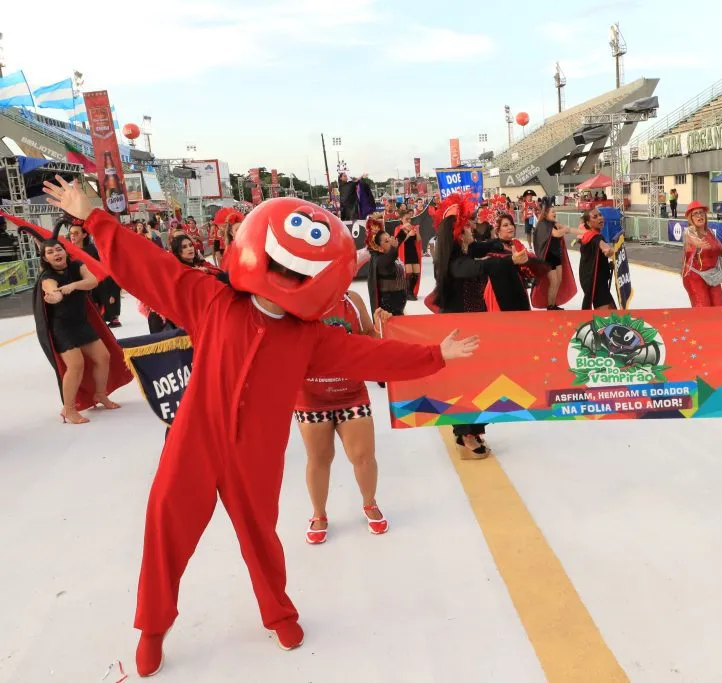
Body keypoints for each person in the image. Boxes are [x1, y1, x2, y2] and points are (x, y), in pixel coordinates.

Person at [43, 178, 479, 678]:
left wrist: (433, 355)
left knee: (260, 537)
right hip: (194, 441)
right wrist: (95, 217)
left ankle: (277, 612)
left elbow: (370, 354)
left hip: (257, 451)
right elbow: (148, 268)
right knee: (165, 528)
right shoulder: (210, 300)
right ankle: (153, 627)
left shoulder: (310, 338)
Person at [428, 193, 529, 458]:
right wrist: (509, 260)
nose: (473, 228)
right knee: (464, 383)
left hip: (475, 326)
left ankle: (473, 430)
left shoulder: (465, 249)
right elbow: (478, 267)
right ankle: (464, 435)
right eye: (469, 226)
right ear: (460, 234)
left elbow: (485, 248)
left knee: (479, 381)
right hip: (459, 332)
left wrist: (503, 243)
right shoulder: (453, 262)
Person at [295, 290, 392, 543]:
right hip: (310, 397)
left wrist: (385, 326)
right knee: (319, 458)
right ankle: (319, 514)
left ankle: (370, 503)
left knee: (363, 456)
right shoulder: (296, 299)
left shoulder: (352, 300)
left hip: (352, 393)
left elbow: (370, 337)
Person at [34, 238, 129, 424]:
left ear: (65, 251)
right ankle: (68, 409)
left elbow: (93, 281)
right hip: (62, 327)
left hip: (81, 324)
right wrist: (54, 296)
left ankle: (100, 395)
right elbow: (52, 291)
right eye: (51, 252)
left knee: (103, 357)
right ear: (45, 258)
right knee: (76, 365)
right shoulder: (47, 277)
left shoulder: (76, 265)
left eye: (58, 249)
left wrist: (73, 285)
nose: (56, 254)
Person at [681, 201, 722, 307]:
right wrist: (695, 241)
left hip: (712, 275)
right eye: (695, 214)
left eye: (701, 213)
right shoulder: (690, 232)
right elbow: (688, 235)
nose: (699, 216)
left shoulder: (710, 232)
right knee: (703, 309)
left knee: (718, 307)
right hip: (694, 277)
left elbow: (719, 251)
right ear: (691, 218)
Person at [532, 200, 576, 310]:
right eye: (552, 212)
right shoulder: (543, 225)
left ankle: (553, 304)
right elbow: (556, 234)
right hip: (547, 258)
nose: (555, 213)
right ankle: (550, 306)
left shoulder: (553, 223)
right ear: (546, 214)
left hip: (556, 256)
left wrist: (586, 233)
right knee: (554, 281)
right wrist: (565, 230)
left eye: (555, 211)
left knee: (559, 281)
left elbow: (568, 229)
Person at [577, 207, 616, 310]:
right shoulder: (595, 237)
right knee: (606, 317)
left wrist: (606, 265)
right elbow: (603, 247)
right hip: (595, 282)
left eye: (600, 215)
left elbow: (593, 257)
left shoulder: (588, 235)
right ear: (589, 223)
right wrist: (609, 250)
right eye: (595, 217)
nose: (600, 218)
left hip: (591, 278)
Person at [396, 209, 423, 300]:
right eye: (406, 219)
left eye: (409, 219)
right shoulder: (399, 228)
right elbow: (399, 242)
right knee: (409, 273)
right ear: (401, 219)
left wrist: (417, 232)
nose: (408, 221)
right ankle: (408, 292)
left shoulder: (412, 227)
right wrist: (408, 235)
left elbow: (418, 240)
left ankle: (411, 291)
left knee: (416, 272)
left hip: (413, 251)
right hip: (404, 253)